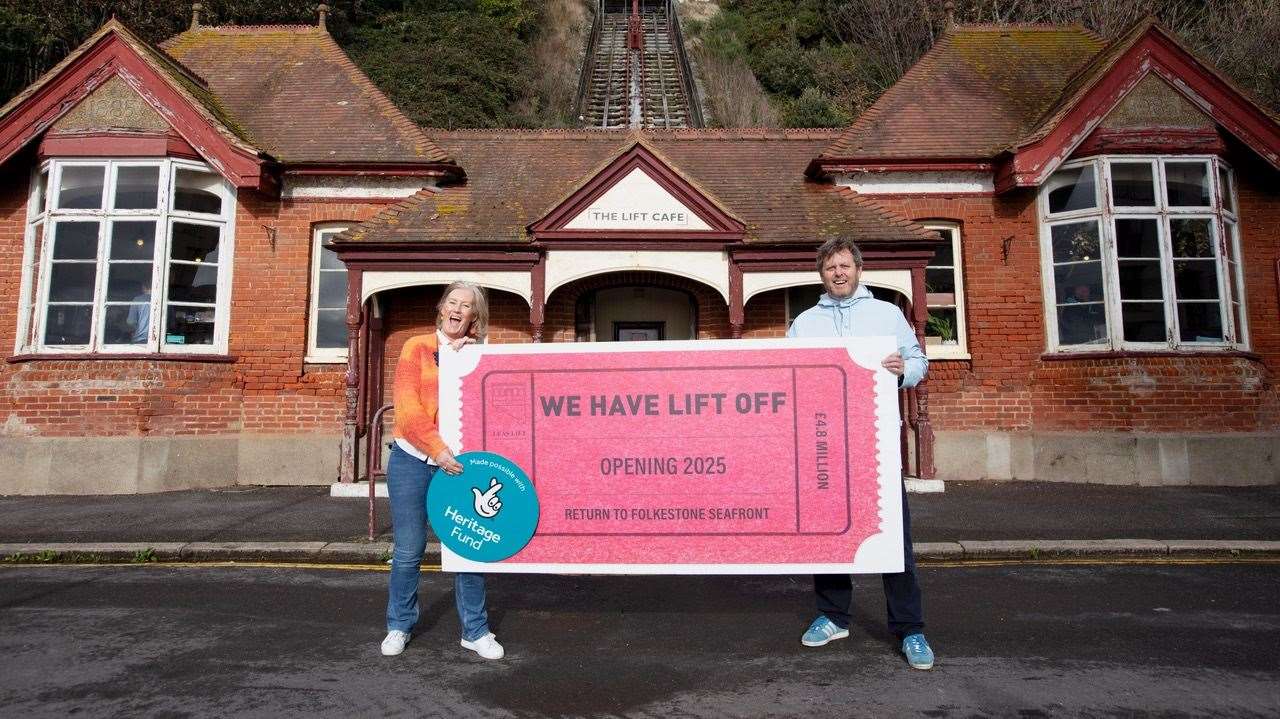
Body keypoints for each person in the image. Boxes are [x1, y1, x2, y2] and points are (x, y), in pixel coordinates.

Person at [785, 237, 935, 670]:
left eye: (845, 266)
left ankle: (910, 629)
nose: (838, 273)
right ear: (821, 273)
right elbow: (792, 378)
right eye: (830, 267)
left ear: (858, 269)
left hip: (876, 446)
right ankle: (833, 616)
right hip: (826, 446)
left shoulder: (887, 315)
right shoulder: (804, 323)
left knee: (895, 539)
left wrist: (905, 369)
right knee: (829, 532)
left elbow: (919, 361)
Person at [381, 281, 505, 660]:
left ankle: (475, 631)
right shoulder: (416, 347)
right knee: (408, 550)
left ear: (474, 317)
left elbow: (491, 410)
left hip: (460, 468)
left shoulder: (477, 355)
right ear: (441, 308)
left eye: (466, 306)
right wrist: (438, 451)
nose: (457, 309)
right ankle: (399, 626)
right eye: (452, 302)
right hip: (412, 462)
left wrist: (473, 359)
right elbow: (407, 410)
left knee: (467, 549)